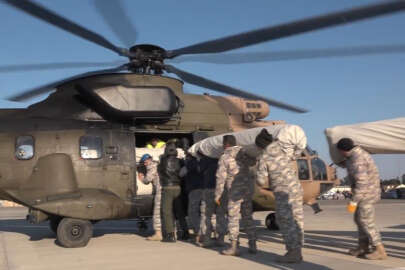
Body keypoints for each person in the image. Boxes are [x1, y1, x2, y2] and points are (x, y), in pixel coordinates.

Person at [256, 128, 304, 263]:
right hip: (296, 188)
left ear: (260, 145)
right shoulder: (283, 149)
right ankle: (298, 250)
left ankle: (293, 253)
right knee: (297, 220)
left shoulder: (264, 156)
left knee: (285, 221)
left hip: (283, 191)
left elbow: (260, 181)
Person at [336, 138, 387, 260]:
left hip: (366, 195)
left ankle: (380, 250)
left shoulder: (357, 160)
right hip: (366, 194)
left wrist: (354, 200)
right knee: (359, 220)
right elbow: (348, 165)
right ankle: (363, 247)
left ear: (343, 150)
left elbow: (362, 183)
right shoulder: (354, 155)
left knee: (365, 221)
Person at [215, 135, 257, 256]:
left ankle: (234, 247)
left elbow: (220, 178)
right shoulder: (244, 154)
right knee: (248, 217)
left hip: (234, 193)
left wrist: (217, 195)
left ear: (226, 144)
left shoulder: (225, 157)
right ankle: (253, 245)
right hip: (247, 191)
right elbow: (253, 165)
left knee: (233, 218)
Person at [158, 142, 189, 242]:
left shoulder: (162, 161)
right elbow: (183, 173)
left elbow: (160, 171)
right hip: (178, 187)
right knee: (180, 212)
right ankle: (185, 232)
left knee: (167, 211)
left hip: (167, 188)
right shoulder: (180, 161)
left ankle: (170, 235)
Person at [198, 154, 226, 248]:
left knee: (207, 215)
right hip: (221, 190)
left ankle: (207, 239)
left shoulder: (205, 159)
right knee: (220, 214)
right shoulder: (222, 158)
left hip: (209, 189)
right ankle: (220, 239)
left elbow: (200, 170)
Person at [138, 154, 162, 241]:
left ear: (150, 159)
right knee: (167, 211)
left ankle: (158, 233)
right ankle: (172, 232)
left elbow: (147, 180)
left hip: (160, 190)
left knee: (157, 212)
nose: (145, 164)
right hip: (166, 189)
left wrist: (142, 178)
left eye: (145, 162)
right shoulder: (158, 164)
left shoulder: (152, 166)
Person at [181, 153, 204, 241]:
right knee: (202, 212)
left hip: (194, 190)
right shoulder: (201, 162)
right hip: (203, 188)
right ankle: (204, 232)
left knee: (192, 212)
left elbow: (181, 173)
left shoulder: (191, 163)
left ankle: (198, 233)